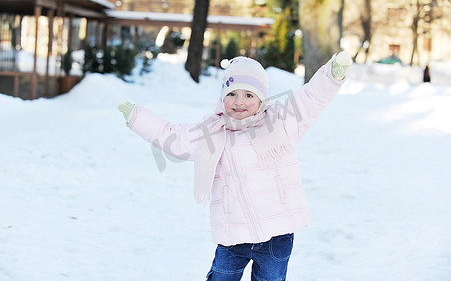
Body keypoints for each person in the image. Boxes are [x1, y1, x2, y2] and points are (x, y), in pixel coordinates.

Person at [118, 51, 352, 281]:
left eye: (249, 95)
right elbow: (173, 137)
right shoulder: (212, 131)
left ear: (262, 98)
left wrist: (331, 75)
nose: (240, 102)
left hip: (276, 234)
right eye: (232, 94)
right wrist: (137, 117)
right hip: (233, 235)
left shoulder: (281, 122)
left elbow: (310, 100)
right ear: (222, 97)